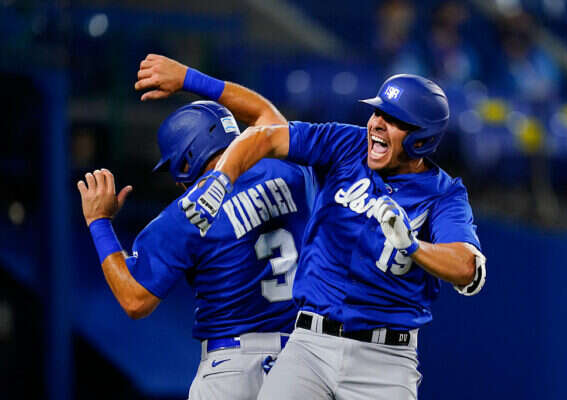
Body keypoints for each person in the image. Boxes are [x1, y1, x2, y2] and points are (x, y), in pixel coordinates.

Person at [157, 60, 487, 398]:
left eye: (393, 120)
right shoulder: (346, 143)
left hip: (386, 360)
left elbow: (465, 267)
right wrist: (220, 179)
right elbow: (265, 135)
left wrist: (413, 245)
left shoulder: (443, 194)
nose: (377, 124)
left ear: (421, 140)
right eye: (378, 113)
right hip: (310, 346)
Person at [77, 97, 316, 399]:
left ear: (187, 159)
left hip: (231, 370)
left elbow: (134, 299)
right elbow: (272, 121)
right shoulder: (292, 171)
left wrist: (99, 222)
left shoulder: (187, 213)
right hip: (301, 364)